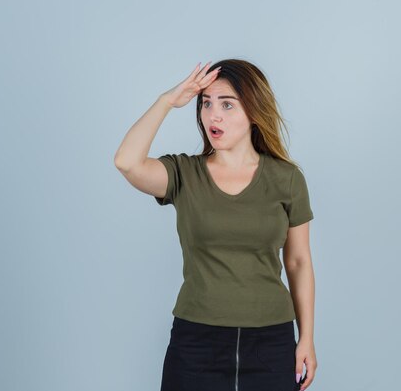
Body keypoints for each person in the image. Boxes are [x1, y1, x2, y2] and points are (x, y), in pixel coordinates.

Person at [114, 59, 317, 391]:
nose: (213, 115)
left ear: (253, 110)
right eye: (206, 104)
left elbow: (298, 261)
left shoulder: (287, 179)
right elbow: (127, 162)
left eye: (227, 104)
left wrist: (306, 337)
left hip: (271, 342)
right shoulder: (185, 174)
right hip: (197, 342)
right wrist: (167, 100)